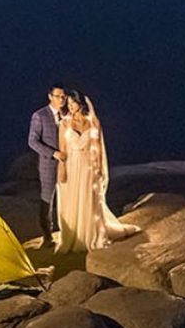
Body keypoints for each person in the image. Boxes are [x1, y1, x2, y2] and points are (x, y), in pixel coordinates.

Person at [55, 90, 141, 253]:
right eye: (69, 103)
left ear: (81, 103)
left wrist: (99, 168)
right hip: (72, 163)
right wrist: (62, 170)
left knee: (89, 199)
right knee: (72, 199)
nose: (71, 106)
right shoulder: (64, 124)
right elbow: (63, 150)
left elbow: (99, 149)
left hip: (88, 165)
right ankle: (74, 236)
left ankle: (90, 235)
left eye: (74, 102)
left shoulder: (93, 123)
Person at [28, 84, 67, 246]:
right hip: (48, 164)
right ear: (50, 97)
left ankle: (68, 231)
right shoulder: (40, 115)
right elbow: (32, 141)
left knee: (67, 198)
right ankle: (47, 235)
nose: (62, 100)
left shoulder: (68, 113)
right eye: (58, 96)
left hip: (67, 164)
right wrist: (53, 153)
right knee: (47, 200)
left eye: (64, 97)